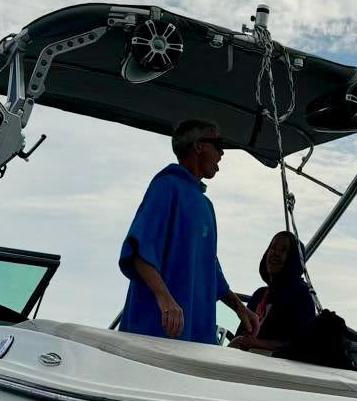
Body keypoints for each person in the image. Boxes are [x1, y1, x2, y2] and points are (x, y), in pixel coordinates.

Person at [118, 119, 259, 345]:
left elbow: (211, 269)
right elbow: (138, 249)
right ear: (198, 146)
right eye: (218, 144)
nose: (222, 152)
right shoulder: (166, 186)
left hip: (195, 335)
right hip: (156, 332)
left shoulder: (206, 205)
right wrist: (165, 300)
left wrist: (240, 309)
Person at [229, 231, 318, 353]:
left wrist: (255, 343)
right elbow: (240, 337)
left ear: (294, 258)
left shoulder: (302, 295)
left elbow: (301, 346)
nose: (275, 253)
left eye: (283, 250)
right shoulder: (259, 295)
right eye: (273, 247)